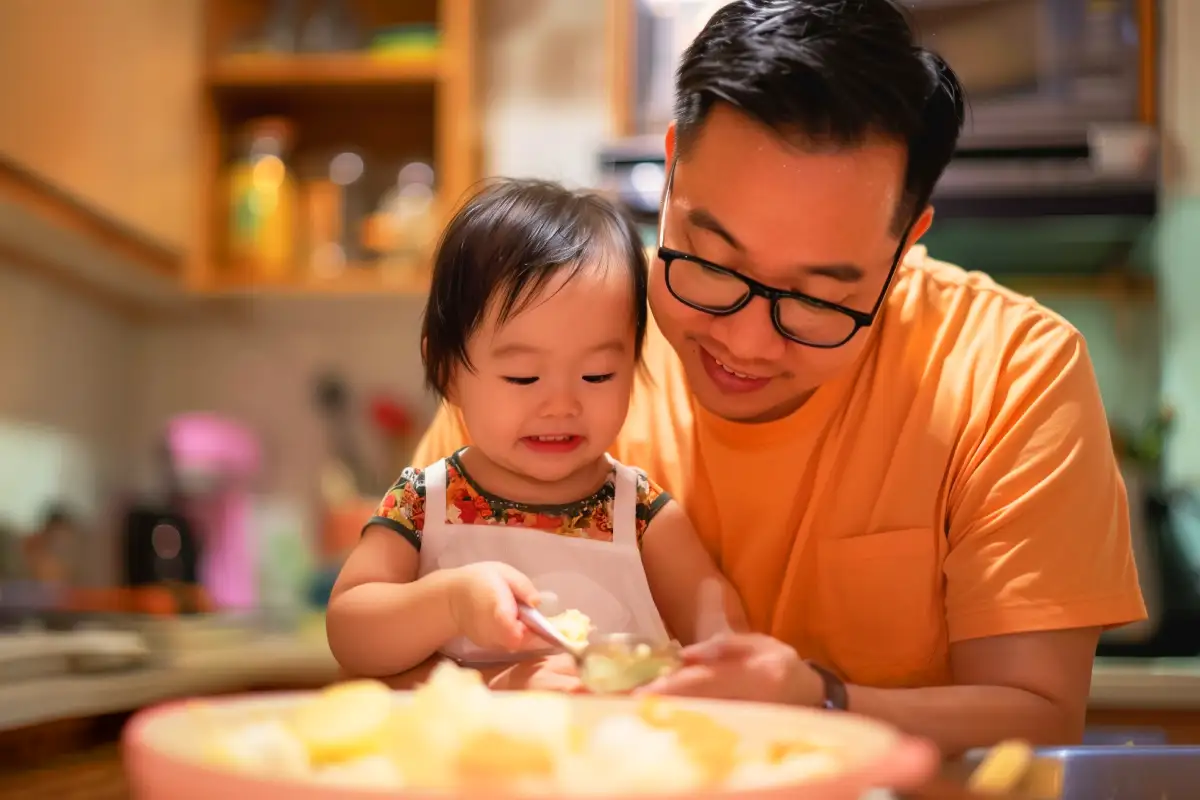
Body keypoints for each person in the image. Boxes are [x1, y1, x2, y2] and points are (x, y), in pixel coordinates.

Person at [412, 0, 1146, 756]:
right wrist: (509, 689)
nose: (745, 340)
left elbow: (1037, 715)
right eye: (713, 264)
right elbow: (400, 653)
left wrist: (820, 702)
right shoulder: (552, 334)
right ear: (670, 172)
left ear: (906, 241)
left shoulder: (1009, 372)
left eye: (819, 298)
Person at [327, 179, 748, 680]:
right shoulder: (423, 502)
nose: (562, 405)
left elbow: (724, 638)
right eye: (523, 377)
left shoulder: (640, 514)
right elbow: (350, 630)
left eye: (598, 376)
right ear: (446, 373)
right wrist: (452, 604)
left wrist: (715, 656)